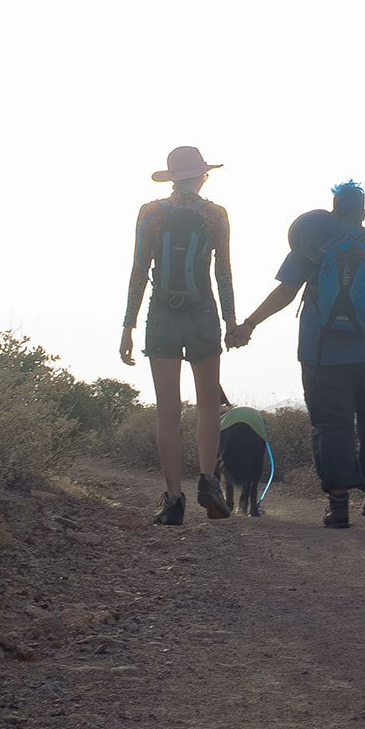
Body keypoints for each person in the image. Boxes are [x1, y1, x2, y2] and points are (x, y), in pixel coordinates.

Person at [230, 181, 365, 528]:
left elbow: (285, 291)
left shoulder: (311, 247)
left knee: (331, 426)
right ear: (363, 212)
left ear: (332, 209)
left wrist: (249, 324)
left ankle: (339, 504)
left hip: (321, 355)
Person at [119, 145, 237, 525]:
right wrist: (232, 322)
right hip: (203, 312)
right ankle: (207, 482)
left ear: (172, 178)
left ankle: (173, 501)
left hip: (162, 314)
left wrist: (128, 326)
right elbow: (224, 273)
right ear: (202, 176)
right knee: (207, 405)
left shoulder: (150, 213)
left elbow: (139, 270)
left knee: (167, 411)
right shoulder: (215, 215)